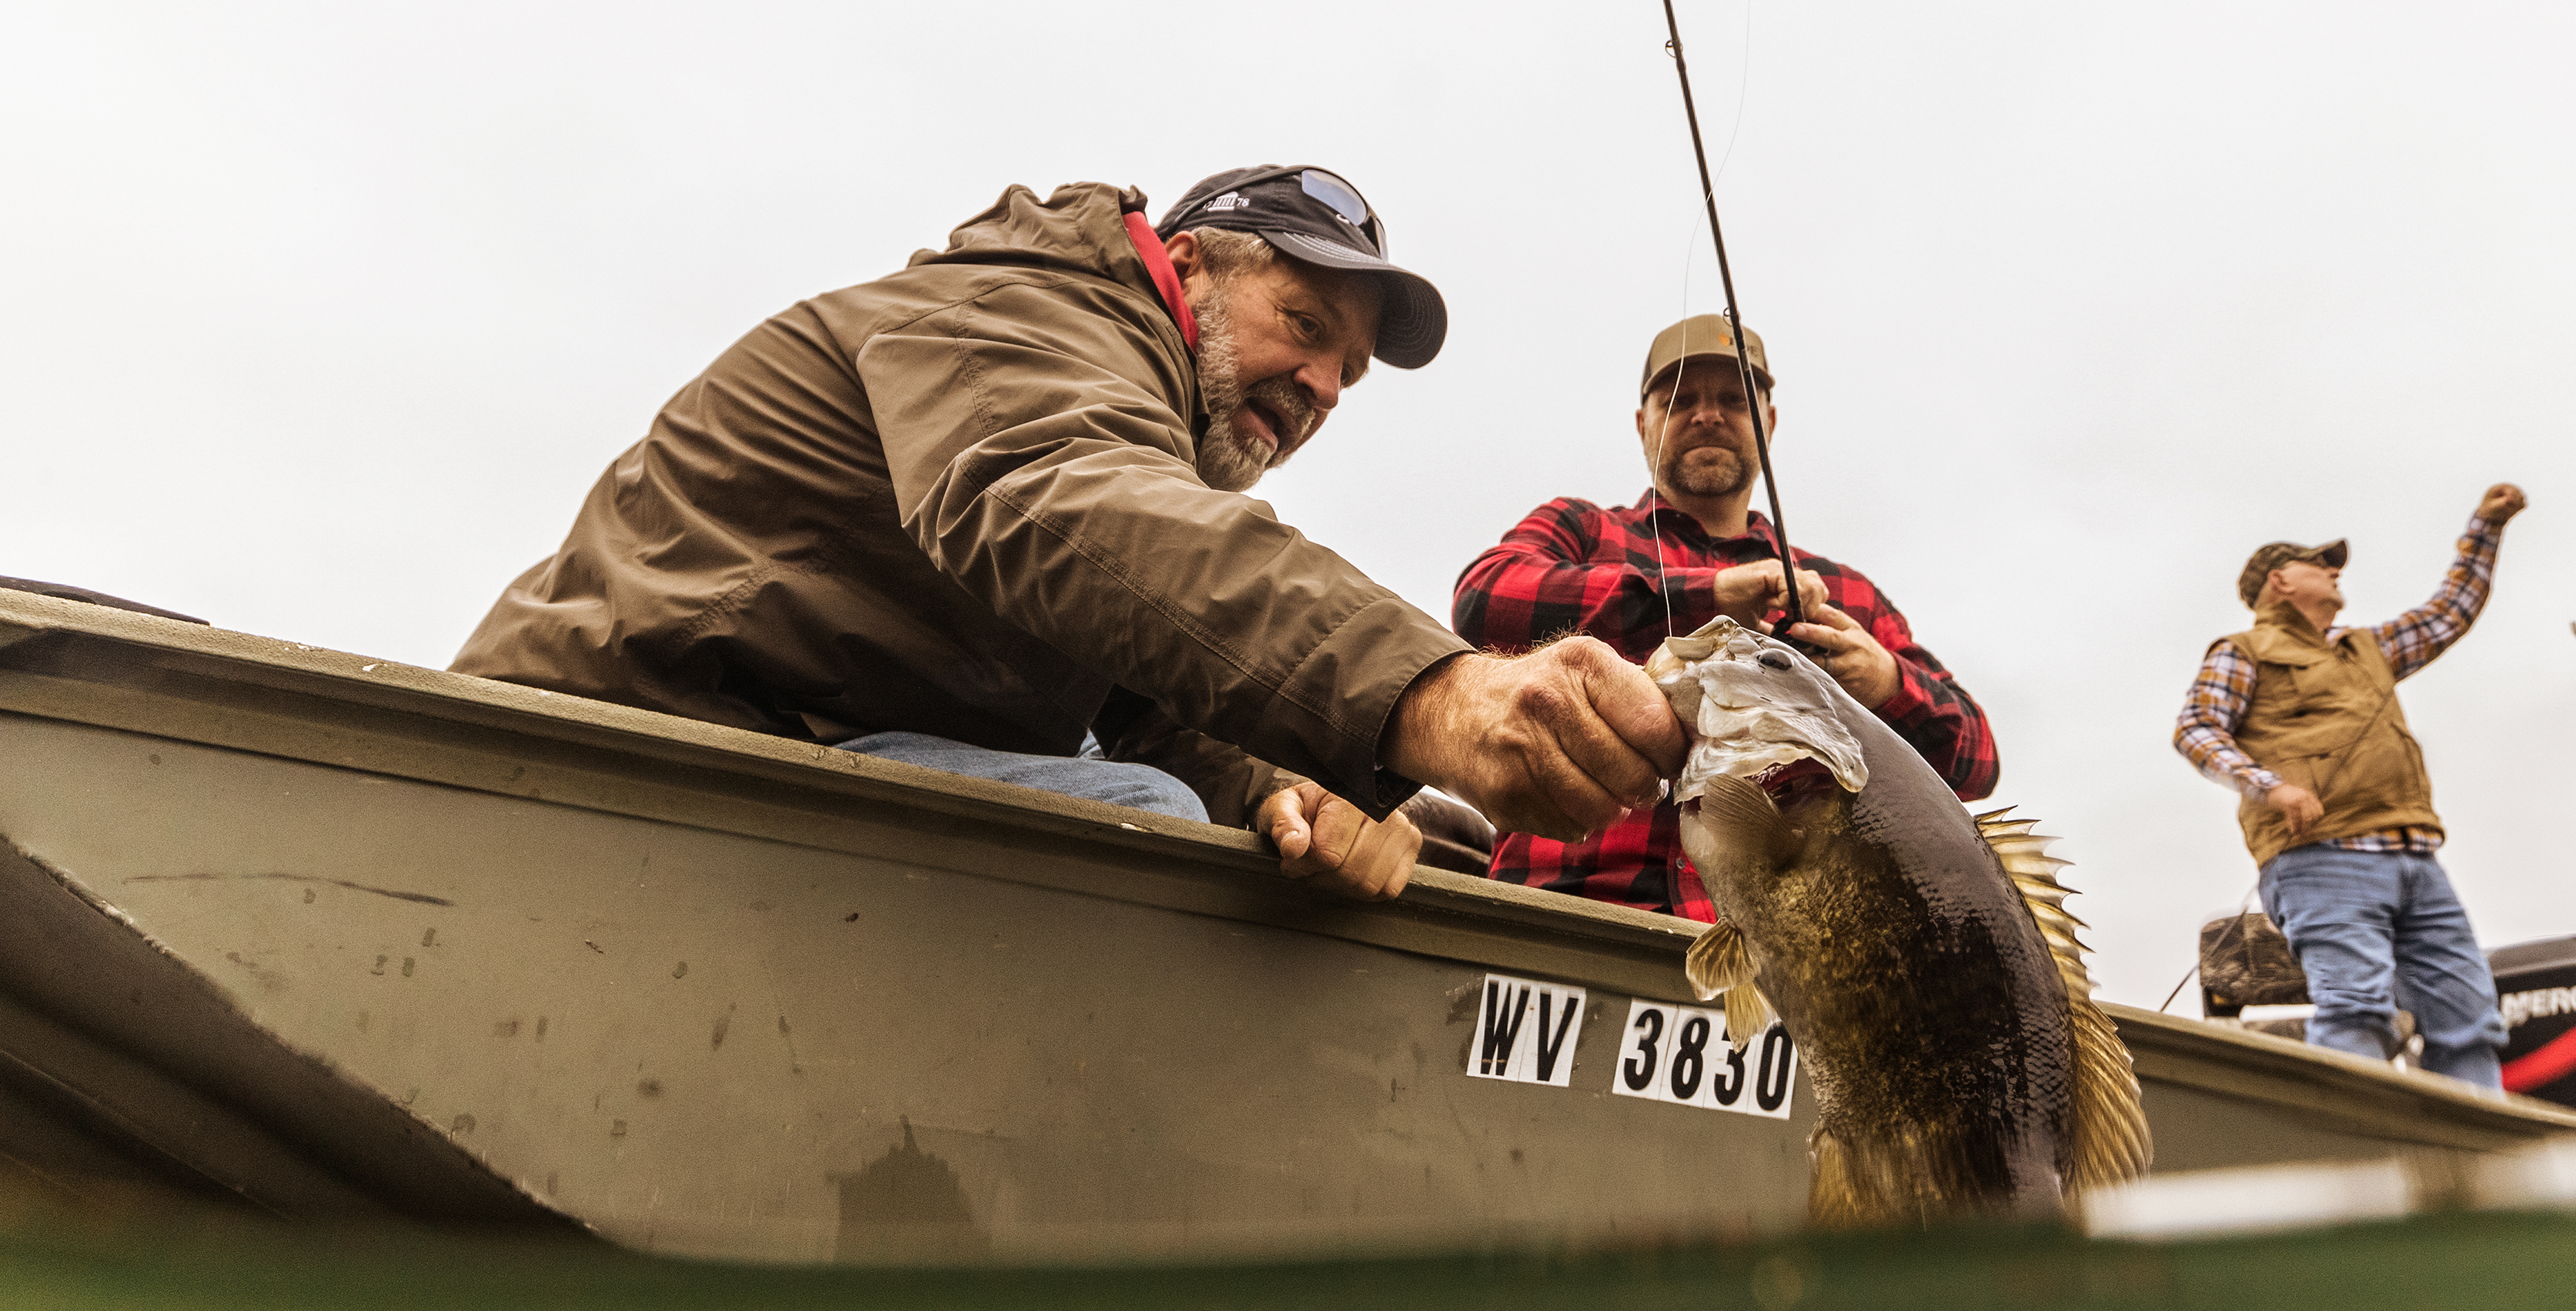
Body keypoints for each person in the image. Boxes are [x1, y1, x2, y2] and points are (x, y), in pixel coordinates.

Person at [454, 168, 1686, 903]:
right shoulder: (1024, 317)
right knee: (1137, 812)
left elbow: (1144, 689)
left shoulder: (1134, 414)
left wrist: (1300, 795)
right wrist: (1434, 689)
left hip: (763, 757)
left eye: (1348, 372)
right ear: (1186, 264)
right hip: (603, 762)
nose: (1319, 383)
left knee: (1162, 779)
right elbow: (1067, 505)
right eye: (1302, 323)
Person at [1452, 314, 1997, 918]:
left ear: (1768, 422)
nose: (1706, 414)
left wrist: (1888, 681)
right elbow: (1484, 598)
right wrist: (1708, 594)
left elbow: (1976, 759)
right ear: (1643, 424)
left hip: (1787, 952)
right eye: (1679, 398)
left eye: (1733, 400)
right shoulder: (1580, 529)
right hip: (1560, 915)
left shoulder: (1851, 596)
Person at [2171, 485, 2531, 1091]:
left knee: (2470, 1021)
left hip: (2417, 860)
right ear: (2278, 580)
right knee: (2359, 1011)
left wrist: (2485, 526)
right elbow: (2197, 728)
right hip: (2321, 863)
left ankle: (2487, 1160)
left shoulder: (2369, 647)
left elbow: (2450, 611)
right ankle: (2357, 1159)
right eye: (2320, 562)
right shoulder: (2244, 652)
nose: (2336, 571)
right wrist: (2271, 788)